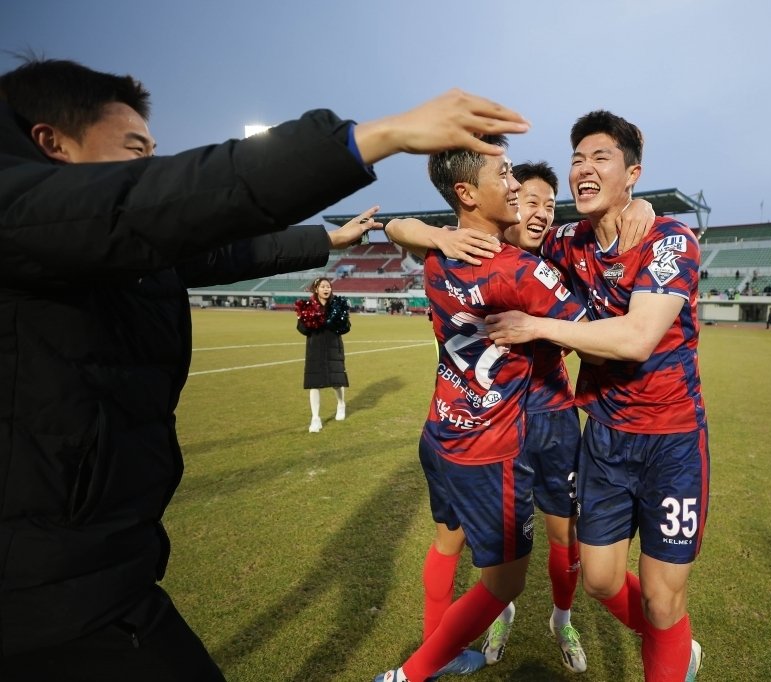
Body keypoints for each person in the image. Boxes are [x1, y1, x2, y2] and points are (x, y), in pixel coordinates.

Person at [0, 56, 528, 682]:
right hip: (44, 584)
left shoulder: (95, 243)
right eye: (136, 151)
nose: (150, 165)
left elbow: (217, 248)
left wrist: (325, 241)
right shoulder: (22, 208)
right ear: (53, 144)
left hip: (96, 563)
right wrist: (377, 136)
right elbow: (157, 201)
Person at [485, 110, 708, 682]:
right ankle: (675, 647)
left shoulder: (670, 240)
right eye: (577, 159)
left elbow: (636, 338)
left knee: (662, 598)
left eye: (600, 158)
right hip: (605, 439)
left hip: (671, 442)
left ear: (632, 173)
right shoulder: (570, 241)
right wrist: (421, 231)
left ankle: (670, 650)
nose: (583, 169)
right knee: (602, 581)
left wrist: (538, 327)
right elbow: (510, 234)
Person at [375, 137, 588, 682]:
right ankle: (416, 670)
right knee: (504, 579)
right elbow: (597, 333)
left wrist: (431, 233)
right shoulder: (519, 269)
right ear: (469, 193)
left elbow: (395, 226)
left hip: (452, 427)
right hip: (494, 440)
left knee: (537, 538)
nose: (525, 198)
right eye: (512, 181)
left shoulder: (441, 252)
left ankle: (549, 622)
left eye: (548, 203)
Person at [297, 276, 356, 432]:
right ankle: (315, 418)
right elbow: (302, 329)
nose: (326, 289)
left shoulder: (337, 305)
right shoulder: (308, 307)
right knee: (314, 383)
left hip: (333, 346)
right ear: (316, 289)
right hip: (315, 348)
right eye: (323, 286)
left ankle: (341, 404)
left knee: (336, 381)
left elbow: (346, 328)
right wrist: (305, 320)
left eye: (328, 286)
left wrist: (339, 319)